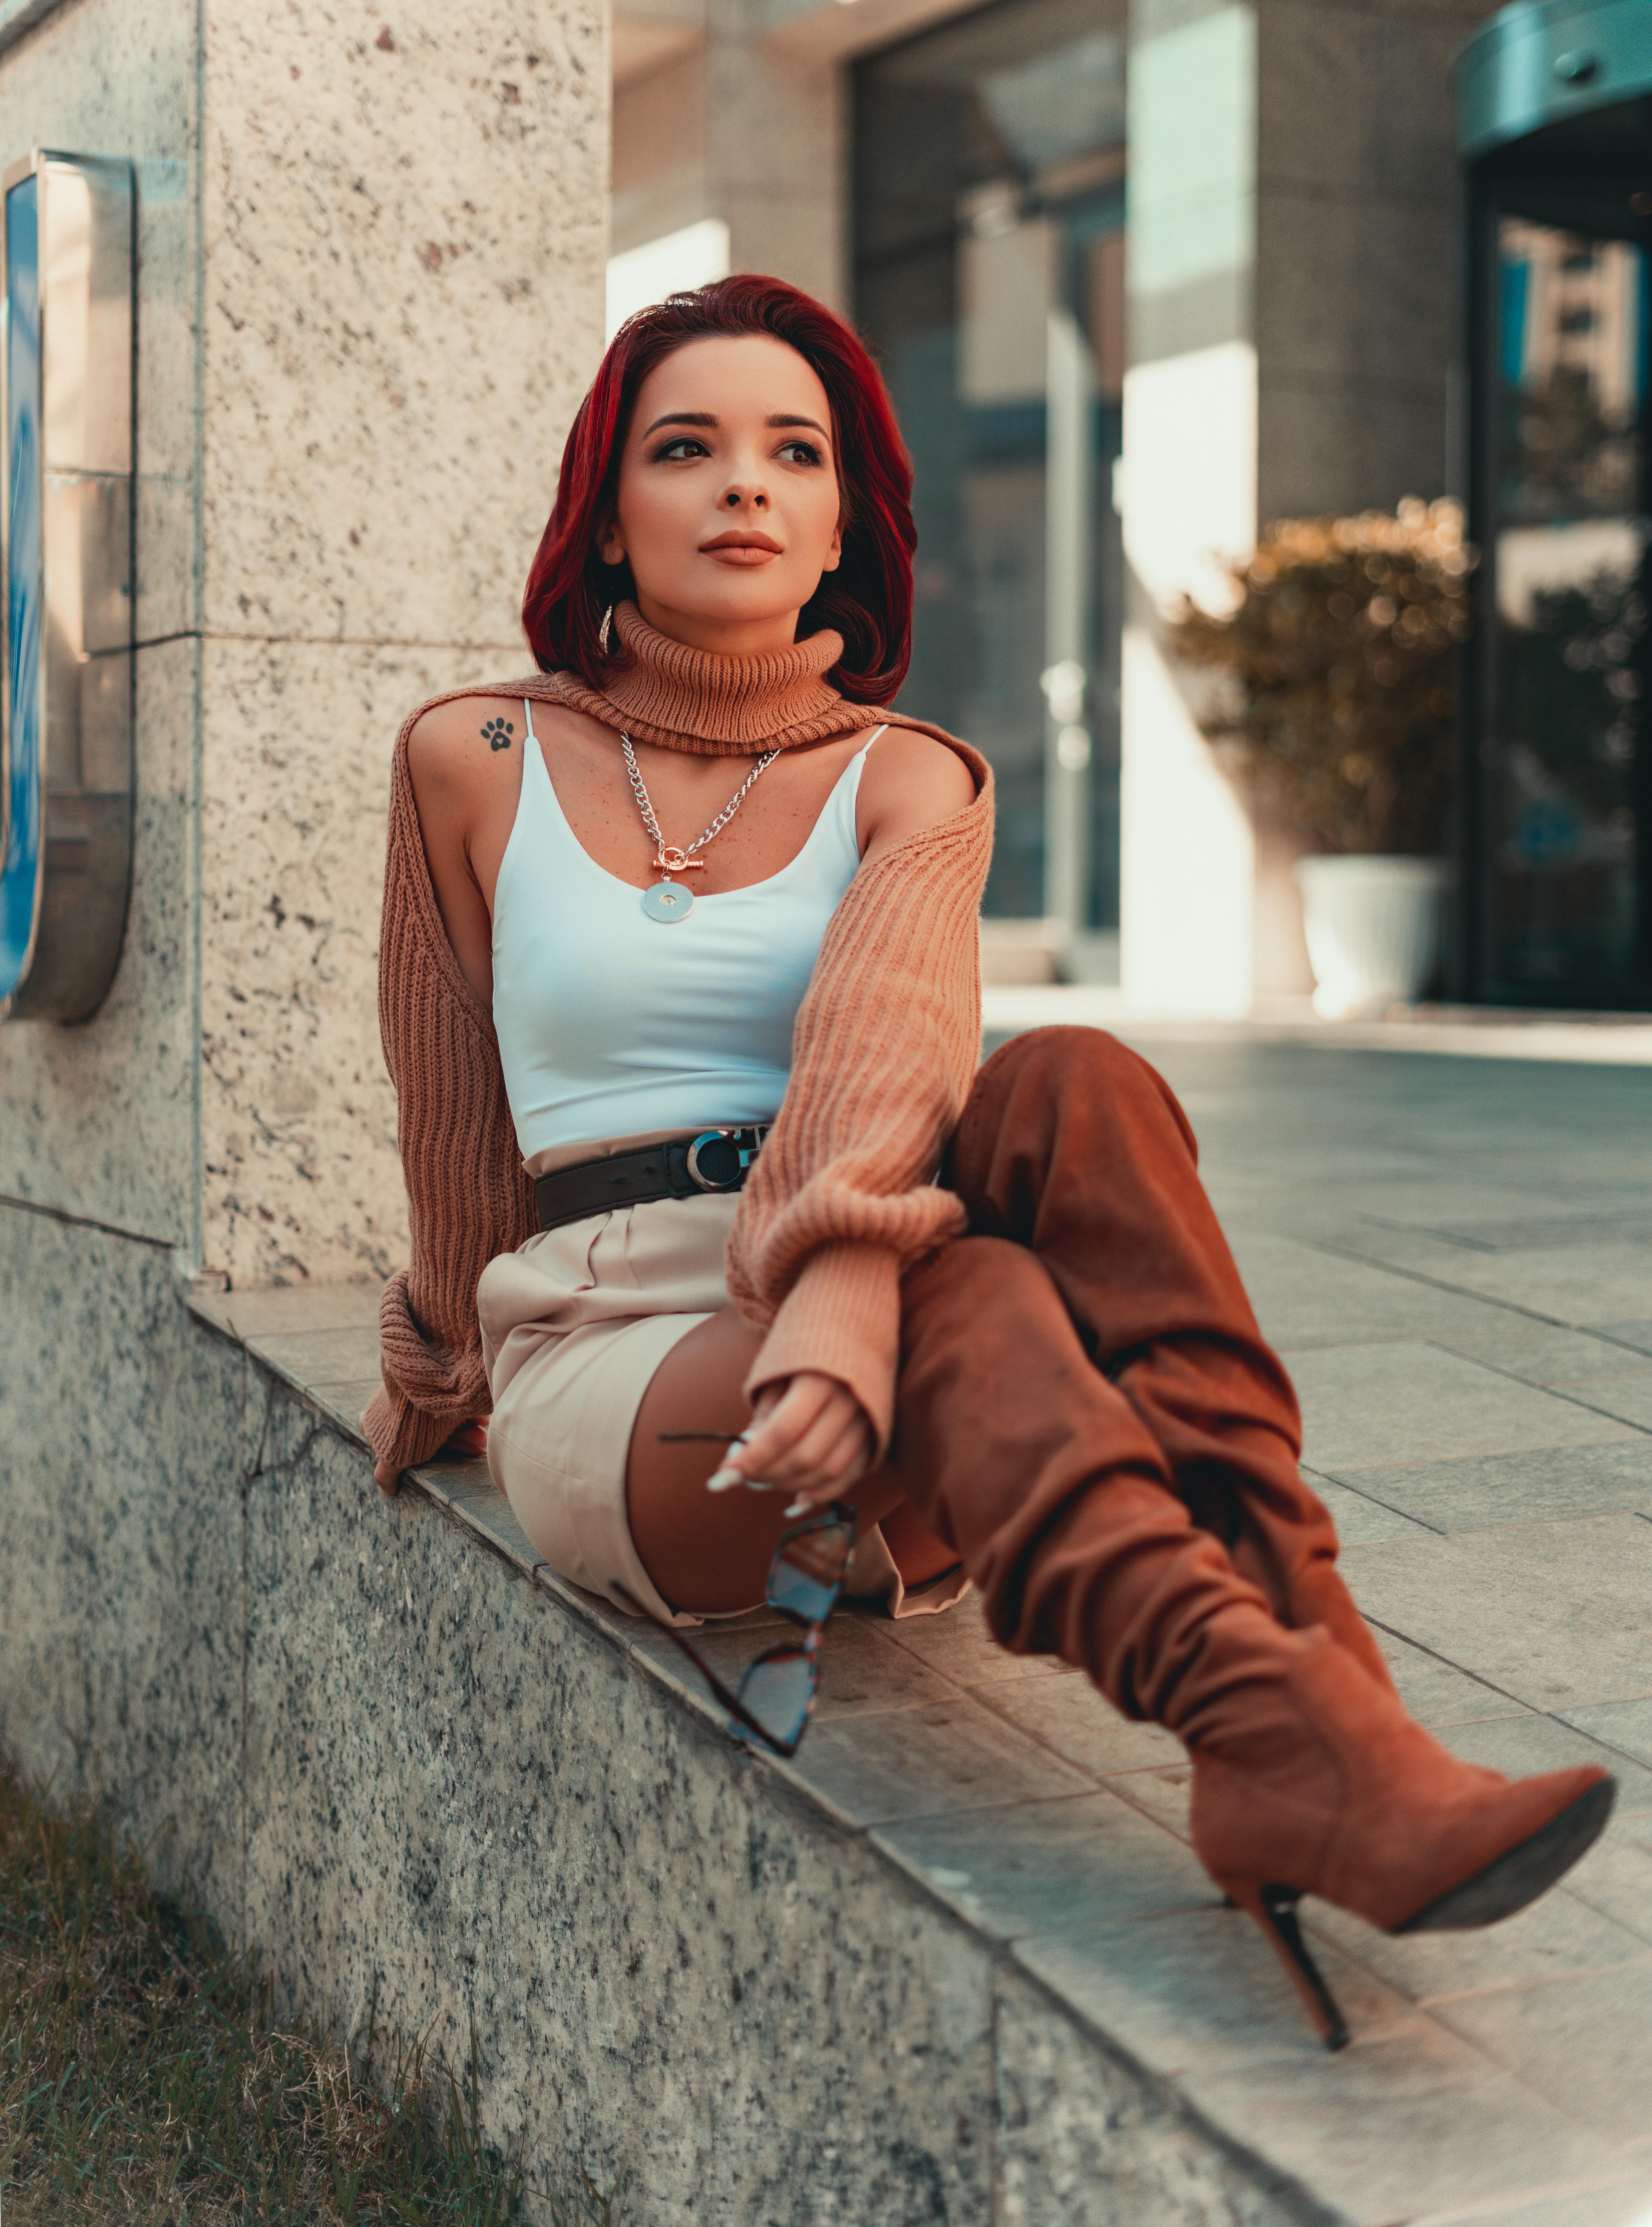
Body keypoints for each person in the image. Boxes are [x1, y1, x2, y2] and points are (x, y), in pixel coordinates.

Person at [362, 274, 1612, 2049]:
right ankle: (1307, 1738)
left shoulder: (909, 776)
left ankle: (1307, 1715)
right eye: (687, 448)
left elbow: (888, 1045)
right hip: (630, 1371)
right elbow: (456, 1131)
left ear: (842, 525)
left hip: (872, 1340)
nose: (743, 487)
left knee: (1078, 1081)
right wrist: (432, 1365)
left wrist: (839, 1290)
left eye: (793, 453)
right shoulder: (474, 755)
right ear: (607, 511)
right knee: (981, 1281)